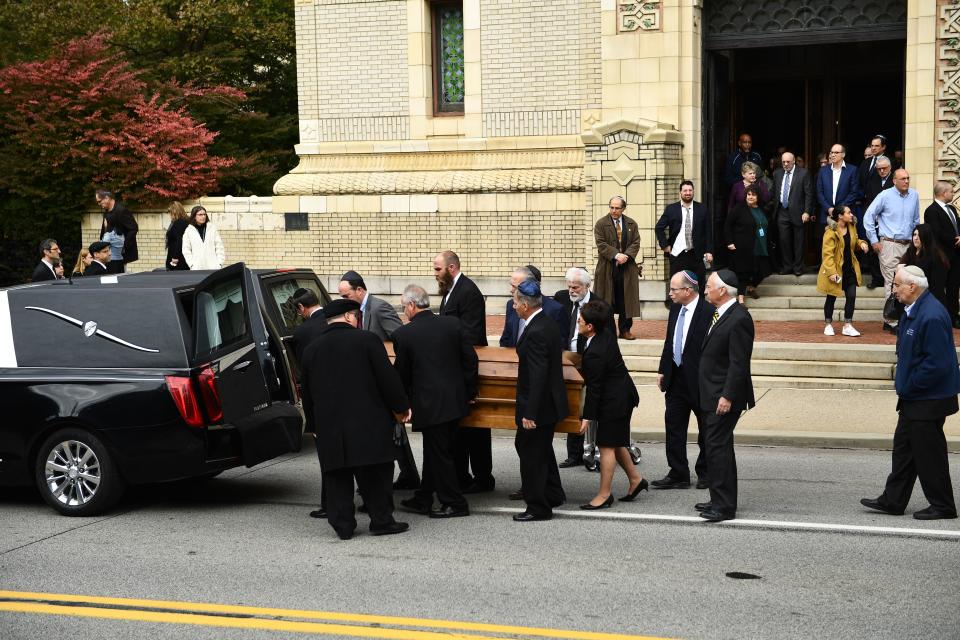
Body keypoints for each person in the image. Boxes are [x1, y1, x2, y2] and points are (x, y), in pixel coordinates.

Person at [299, 298, 411, 540]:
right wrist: (401, 407)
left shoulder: (312, 350)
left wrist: (313, 425)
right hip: (368, 422)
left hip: (330, 425)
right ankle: (381, 520)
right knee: (375, 474)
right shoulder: (367, 340)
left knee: (337, 475)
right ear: (350, 317)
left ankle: (343, 526)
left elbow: (306, 392)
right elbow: (387, 378)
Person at [860, 265, 959, 520]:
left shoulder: (932, 315)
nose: (893, 290)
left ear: (912, 287)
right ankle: (893, 500)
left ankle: (943, 505)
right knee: (904, 449)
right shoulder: (912, 310)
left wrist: (909, 384)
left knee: (929, 453)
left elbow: (937, 364)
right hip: (914, 396)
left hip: (928, 398)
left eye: (896, 286)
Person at [393, 285, 478, 519]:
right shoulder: (453, 324)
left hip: (429, 404)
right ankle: (423, 497)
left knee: (440, 454)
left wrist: (401, 404)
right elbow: (470, 360)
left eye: (403, 307)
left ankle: (455, 503)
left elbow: (402, 374)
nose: (404, 312)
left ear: (411, 306)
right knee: (436, 451)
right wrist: (469, 392)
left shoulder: (404, 335)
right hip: (455, 400)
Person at [695, 270, 755, 522]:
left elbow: (738, 363)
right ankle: (718, 498)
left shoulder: (739, 318)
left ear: (723, 290)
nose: (705, 290)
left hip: (723, 396)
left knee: (717, 447)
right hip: (711, 392)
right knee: (717, 447)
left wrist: (728, 396)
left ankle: (724, 505)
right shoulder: (720, 313)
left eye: (708, 286)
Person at [576, 299, 645, 510]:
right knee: (615, 441)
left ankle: (604, 494)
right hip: (620, 394)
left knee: (605, 446)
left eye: (580, 320)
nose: (577, 322)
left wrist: (587, 417)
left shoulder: (597, 351)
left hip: (615, 400)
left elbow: (594, 388)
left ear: (590, 327)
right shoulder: (604, 334)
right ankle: (635, 479)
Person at [434, 250, 493, 494]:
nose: (434, 273)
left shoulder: (467, 292)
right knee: (462, 429)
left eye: (438, 268)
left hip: (466, 367)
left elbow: (469, 335)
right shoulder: (451, 290)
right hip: (455, 367)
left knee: (475, 429)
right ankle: (463, 476)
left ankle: (482, 478)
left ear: (451, 268)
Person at [512, 279, 567, 521]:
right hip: (547, 403)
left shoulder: (535, 332)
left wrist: (530, 413)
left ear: (525, 305)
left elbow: (537, 376)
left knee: (532, 455)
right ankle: (553, 493)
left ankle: (538, 506)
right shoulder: (546, 323)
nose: (513, 306)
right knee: (539, 451)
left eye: (515, 302)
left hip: (538, 406)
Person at [653, 270, 712, 490]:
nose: (670, 293)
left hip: (699, 381)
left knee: (706, 429)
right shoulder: (676, 309)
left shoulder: (708, 311)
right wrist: (663, 369)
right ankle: (678, 472)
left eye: (674, 289)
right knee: (674, 427)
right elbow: (670, 340)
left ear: (688, 291)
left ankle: (705, 472)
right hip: (675, 379)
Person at [288, 287, 329, 520]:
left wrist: (311, 422)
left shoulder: (303, 333)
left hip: (321, 398)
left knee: (327, 457)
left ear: (302, 308)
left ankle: (328, 503)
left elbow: (307, 375)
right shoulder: (335, 320)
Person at [863, 169, 920, 333]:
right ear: (894, 180)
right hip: (889, 244)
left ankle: (903, 316)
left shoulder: (914, 195)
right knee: (892, 281)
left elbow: (916, 220)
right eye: (903, 179)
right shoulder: (885, 195)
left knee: (908, 281)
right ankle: (891, 320)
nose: (906, 181)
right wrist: (873, 240)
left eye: (908, 178)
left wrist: (916, 241)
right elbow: (869, 216)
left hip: (908, 245)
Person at [594, 196, 641, 340]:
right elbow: (601, 244)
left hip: (626, 268)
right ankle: (608, 330)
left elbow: (636, 242)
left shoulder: (631, 223)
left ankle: (625, 330)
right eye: (612, 207)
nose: (614, 211)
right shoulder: (601, 224)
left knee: (625, 299)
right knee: (607, 299)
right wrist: (616, 255)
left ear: (623, 208)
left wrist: (626, 255)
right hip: (607, 268)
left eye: (617, 208)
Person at [817, 206, 868, 337]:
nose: (851, 215)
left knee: (851, 296)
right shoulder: (830, 232)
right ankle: (828, 324)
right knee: (831, 297)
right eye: (848, 212)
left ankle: (848, 325)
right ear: (840, 216)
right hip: (835, 270)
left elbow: (855, 241)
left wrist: (861, 243)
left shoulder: (851, 227)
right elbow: (827, 255)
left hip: (849, 268)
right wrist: (831, 273)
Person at [655, 180, 713, 292]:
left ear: (693, 192)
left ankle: (698, 308)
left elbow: (708, 232)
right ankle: (676, 309)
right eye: (685, 190)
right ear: (680, 193)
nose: (688, 193)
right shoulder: (671, 209)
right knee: (677, 285)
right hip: (677, 254)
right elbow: (659, 228)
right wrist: (665, 246)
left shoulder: (702, 208)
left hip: (696, 254)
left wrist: (709, 251)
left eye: (690, 190)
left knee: (699, 284)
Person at [500, 266, 567, 349]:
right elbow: (506, 337)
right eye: (511, 285)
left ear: (529, 286)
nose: (511, 290)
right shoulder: (511, 304)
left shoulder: (555, 310)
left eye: (515, 287)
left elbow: (560, 344)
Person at [770, 152, 814, 276]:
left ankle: (798, 268)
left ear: (794, 160)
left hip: (798, 212)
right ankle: (787, 266)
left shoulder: (803, 173)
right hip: (782, 212)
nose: (785, 164)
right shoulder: (777, 173)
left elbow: (809, 194)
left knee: (798, 241)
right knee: (784, 241)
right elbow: (774, 192)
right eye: (783, 162)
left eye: (788, 161)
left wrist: (807, 211)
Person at [923, 181, 960, 327]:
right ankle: (940, 316)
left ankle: (954, 316)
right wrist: (954, 240)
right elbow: (936, 233)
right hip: (941, 255)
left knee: (954, 286)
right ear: (943, 193)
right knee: (938, 287)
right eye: (951, 191)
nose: (952, 194)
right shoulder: (931, 210)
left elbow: (958, 225)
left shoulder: (951, 208)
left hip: (956, 255)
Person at [724, 184, 769, 302]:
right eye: (749, 195)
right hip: (743, 246)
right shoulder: (739, 208)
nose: (750, 197)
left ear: (758, 197)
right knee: (743, 272)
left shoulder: (762, 209)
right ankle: (741, 299)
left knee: (763, 270)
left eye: (753, 195)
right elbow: (727, 225)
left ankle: (751, 287)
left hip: (760, 245)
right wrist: (729, 242)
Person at [816, 144, 863, 254]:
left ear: (843, 155)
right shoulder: (823, 171)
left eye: (836, 152)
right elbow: (819, 192)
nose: (833, 155)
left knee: (845, 246)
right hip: (827, 214)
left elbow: (853, 192)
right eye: (831, 152)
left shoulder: (852, 170)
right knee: (827, 247)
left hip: (844, 215)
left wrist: (838, 210)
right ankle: (829, 270)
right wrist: (828, 208)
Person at [338, 270, 402, 341]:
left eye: (346, 296)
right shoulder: (352, 311)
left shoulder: (380, 307)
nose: (345, 300)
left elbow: (401, 338)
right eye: (343, 297)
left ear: (359, 290)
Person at [862, 155, 895, 289]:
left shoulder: (895, 181)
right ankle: (876, 279)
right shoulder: (873, 180)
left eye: (884, 168)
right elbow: (869, 201)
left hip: (890, 222)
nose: (881, 171)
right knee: (874, 250)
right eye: (879, 169)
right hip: (875, 221)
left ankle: (891, 281)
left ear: (890, 167)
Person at [899, 225, 950, 310]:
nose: (915, 238)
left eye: (919, 235)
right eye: (914, 235)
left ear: (926, 237)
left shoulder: (936, 256)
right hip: (910, 299)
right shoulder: (910, 252)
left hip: (929, 301)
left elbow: (936, 287)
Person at [95, 190, 138, 268]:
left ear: (107, 198)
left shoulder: (121, 210)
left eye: (99, 201)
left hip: (119, 254)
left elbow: (133, 228)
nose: (98, 204)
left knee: (119, 276)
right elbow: (105, 230)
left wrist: (123, 246)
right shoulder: (107, 211)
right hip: (108, 253)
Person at [182, 206, 226, 270]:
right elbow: (186, 249)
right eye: (200, 214)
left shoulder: (212, 228)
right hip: (197, 268)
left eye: (204, 214)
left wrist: (219, 263)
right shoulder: (189, 231)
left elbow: (219, 246)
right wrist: (191, 264)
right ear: (194, 216)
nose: (203, 216)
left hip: (213, 267)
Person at [165, 202, 190, 271]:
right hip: (180, 255)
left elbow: (179, 240)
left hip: (178, 257)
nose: (170, 214)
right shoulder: (185, 221)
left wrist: (175, 257)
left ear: (175, 212)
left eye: (170, 212)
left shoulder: (179, 223)